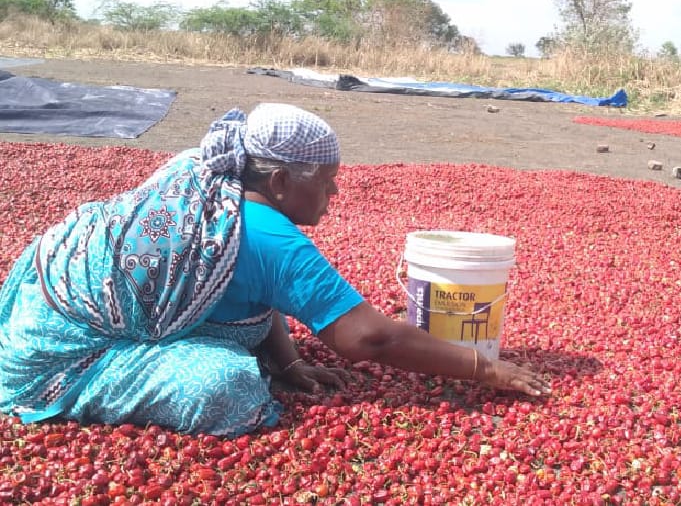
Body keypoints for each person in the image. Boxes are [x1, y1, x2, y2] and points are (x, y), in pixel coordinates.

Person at [0, 103, 550, 437]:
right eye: (327, 181)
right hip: (60, 354)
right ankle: (76, 390)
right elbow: (370, 338)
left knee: (250, 352)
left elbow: (256, 289)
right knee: (230, 388)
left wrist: (286, 361)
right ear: (282, 182)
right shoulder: (272, 238)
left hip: (45, 298)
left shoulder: (209, 173)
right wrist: (484, 369)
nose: (335, 193)